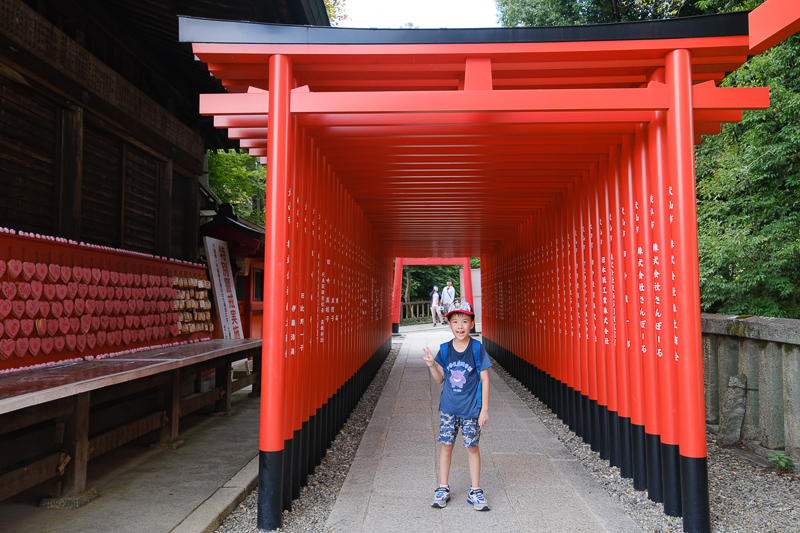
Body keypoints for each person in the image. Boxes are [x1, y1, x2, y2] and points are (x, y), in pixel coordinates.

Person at [422, 300, 491, 511]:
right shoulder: (444, 349)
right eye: (455, 321)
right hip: (449, 409)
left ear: (472, 323)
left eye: (464, 321)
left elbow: (485, 379)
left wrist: (484, 410)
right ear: (449, 324)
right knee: (446, 447)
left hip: (471, 410)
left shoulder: (477, 348)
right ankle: (443, 487)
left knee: (472, 448)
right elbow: (440, 379)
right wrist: (432, 365)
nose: (460, 326)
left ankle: (475, 490)